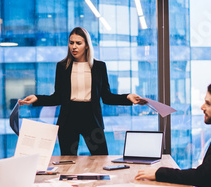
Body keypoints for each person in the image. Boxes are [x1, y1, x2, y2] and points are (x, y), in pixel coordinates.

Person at [19, 26, 146, 155]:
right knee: (68, 162)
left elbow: (107, 97)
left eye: (78, 43)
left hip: (91, 118)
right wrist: (37, 98)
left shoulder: (99, 67)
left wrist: (128, 97)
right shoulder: (62, 67)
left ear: (86, 45)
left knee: (101, 158)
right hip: (68, 118)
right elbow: (57, 97)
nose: (74, 47)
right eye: (71, 43)